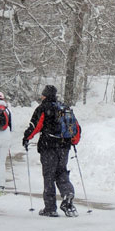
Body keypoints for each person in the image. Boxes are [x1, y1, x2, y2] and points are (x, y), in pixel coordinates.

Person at [23, 85, 80, 217]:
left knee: (49, 175)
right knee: (61, 171)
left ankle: (50, 208)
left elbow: (35, 126)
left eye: (42, 94)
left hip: (49, 146)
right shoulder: (64, 108)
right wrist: (73, 142)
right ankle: (67, 193)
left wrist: (26, 138)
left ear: (45, 95)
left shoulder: (43, 108)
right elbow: (76, 127)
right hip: (64, 146)